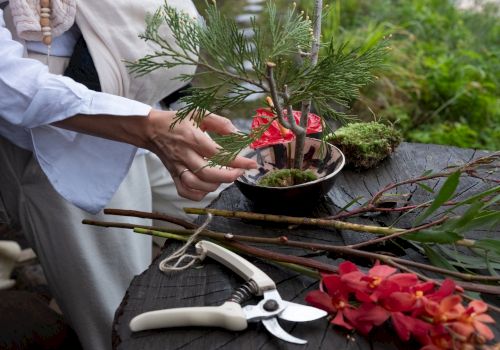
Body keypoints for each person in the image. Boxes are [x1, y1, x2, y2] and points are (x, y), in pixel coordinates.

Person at [0, 1, 256, 349]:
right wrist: (146, 127)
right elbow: (7, 80)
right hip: (59, 139)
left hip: (144, 105)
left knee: (245, 216)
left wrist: (166, 100)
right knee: (123, 320)